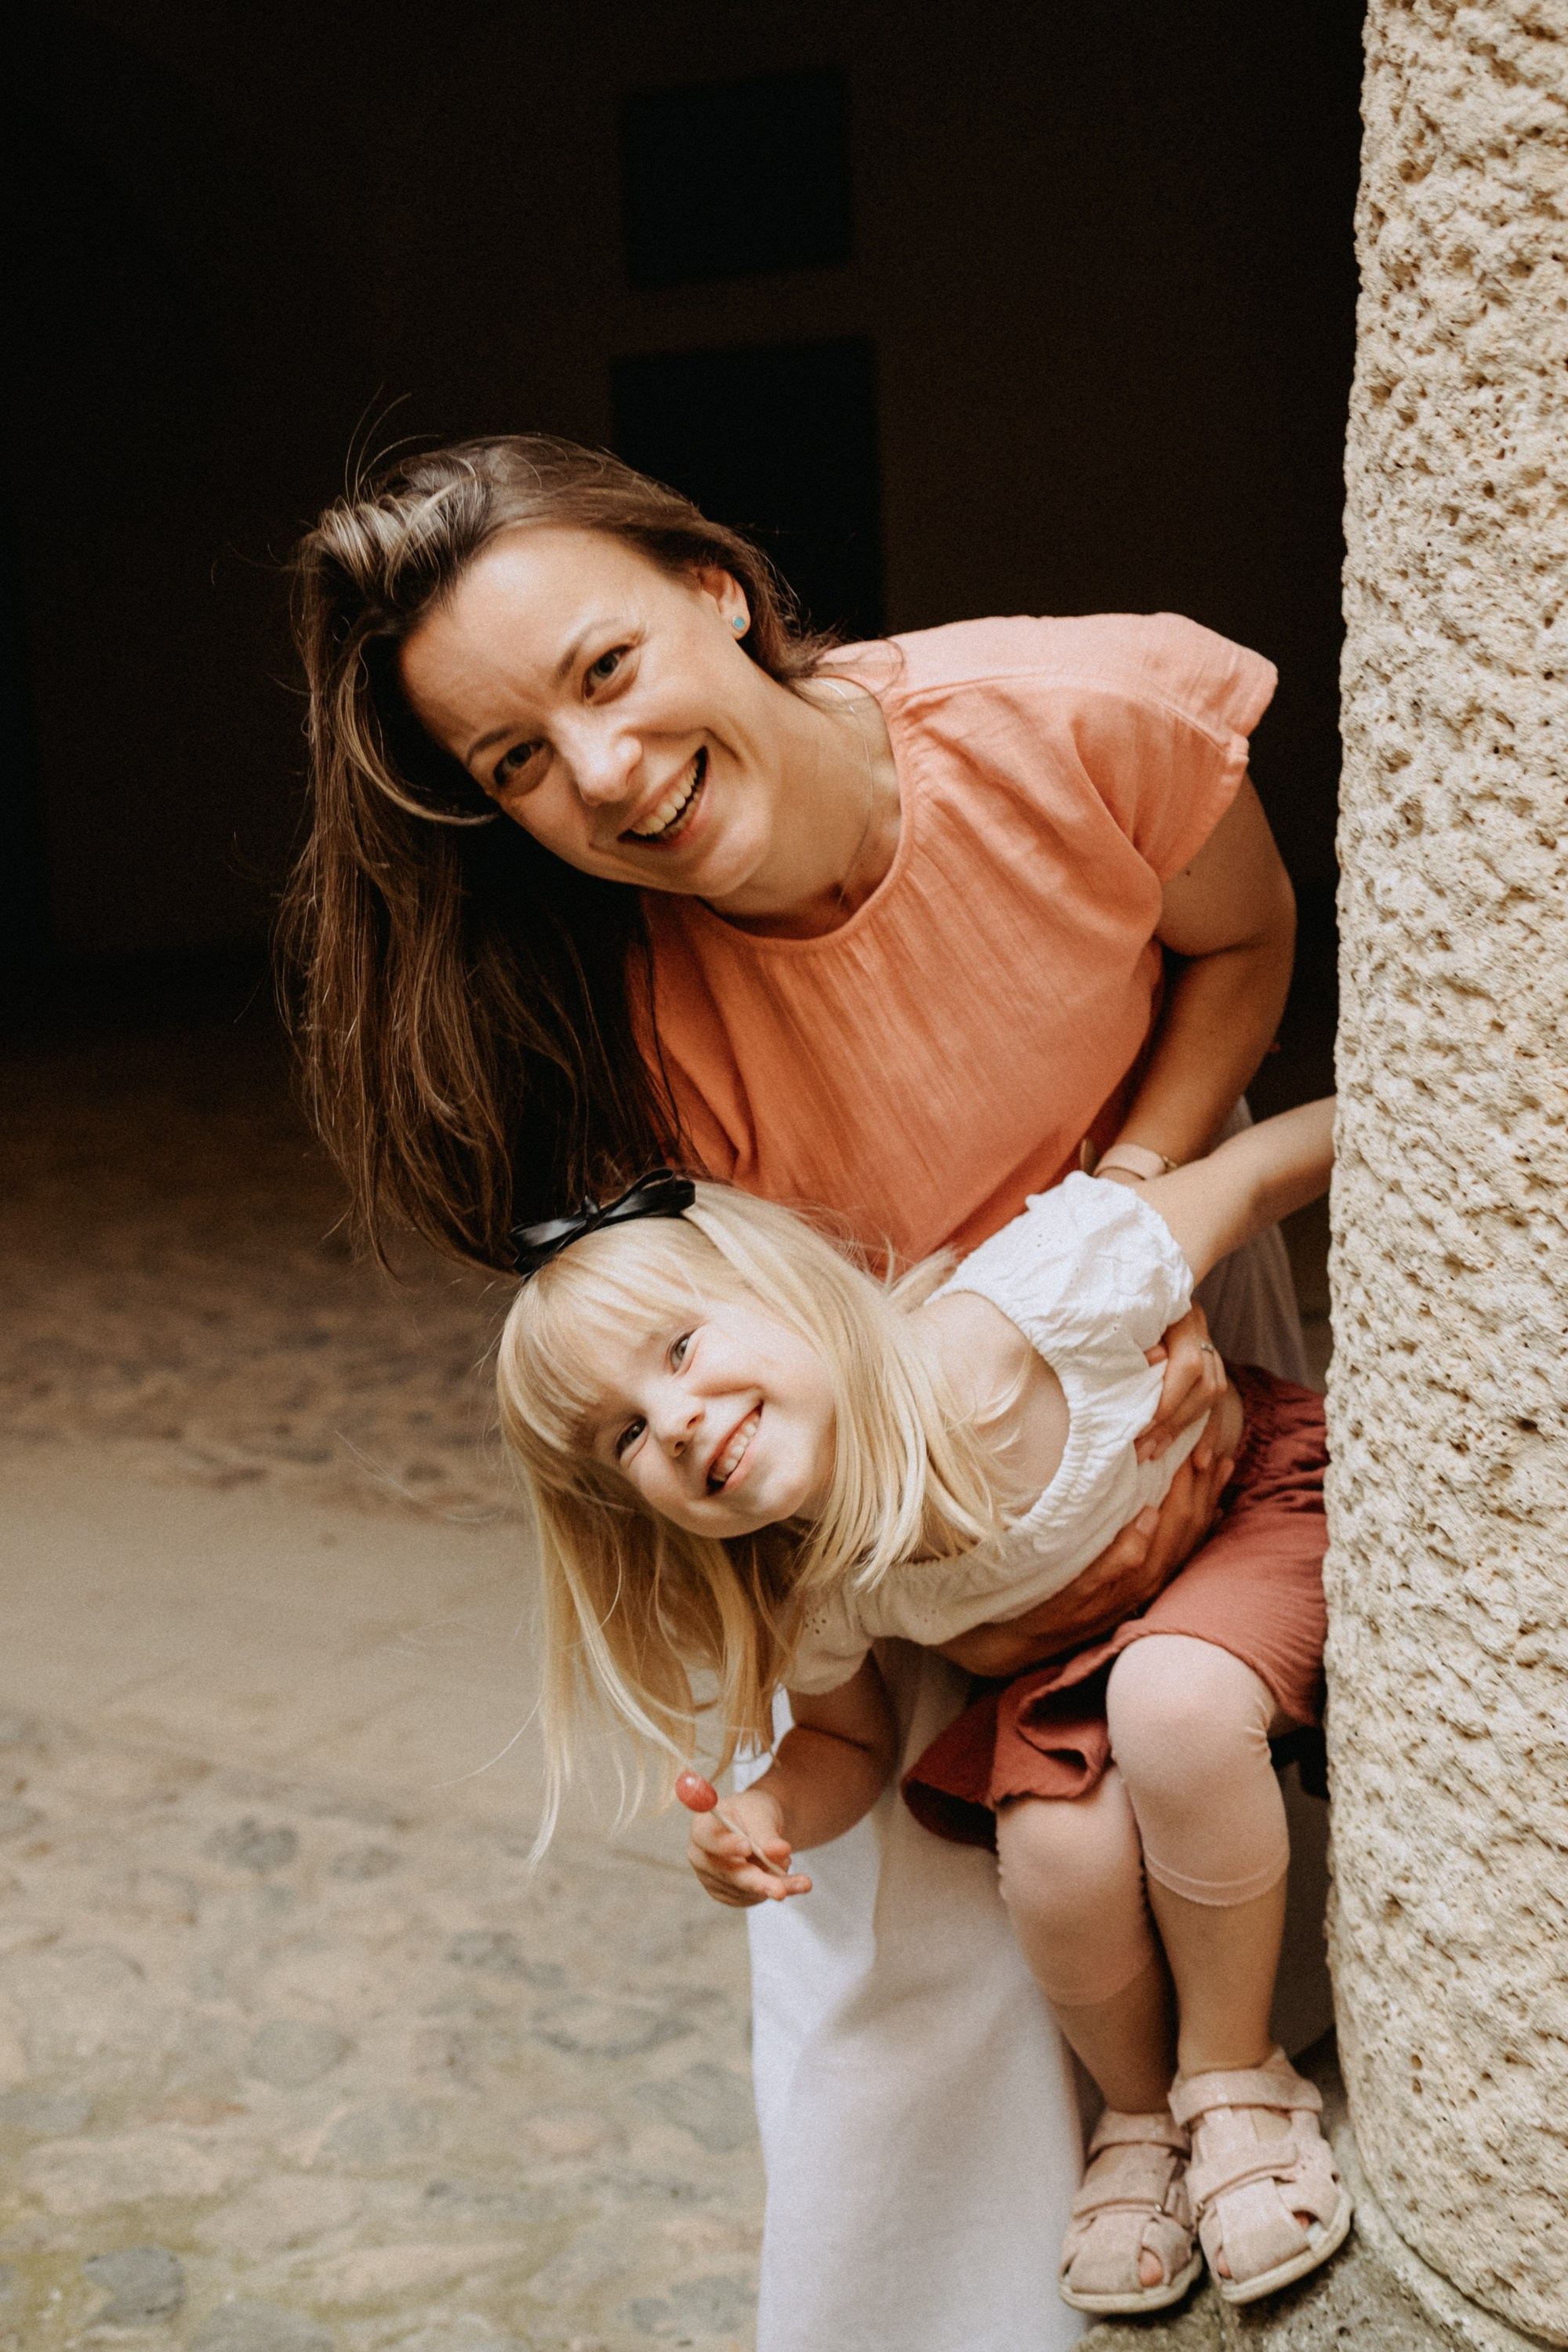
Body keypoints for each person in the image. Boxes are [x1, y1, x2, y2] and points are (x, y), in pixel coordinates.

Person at [285, 434, 1315, 2350]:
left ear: (715, 590)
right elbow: (697, 1370)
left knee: (1230, 1764)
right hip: (844, 1424)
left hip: (1143, 1286)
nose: (599, 776)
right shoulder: (612, 1026)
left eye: (603, 672)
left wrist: (1127, 1207)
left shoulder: (1087, 713)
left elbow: (1239, 945)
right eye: (517, 761)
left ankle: (1247, 2120)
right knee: (894, 1951)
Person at [492, 1098, 1348, 2314]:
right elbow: (849, 1738)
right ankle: (1145, 2119)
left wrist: (1450, 1097)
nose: (675, 1419)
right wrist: (770, 1811)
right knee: (1052, 1849)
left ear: (793, 1292)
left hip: (1248, 1509)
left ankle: (1233, 2079)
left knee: (1171, 1698)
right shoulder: (816, 1572)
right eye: (624, 1433)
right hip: (1090, 1652)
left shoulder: (1029, 1308)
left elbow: (1252, 1175)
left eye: (680, 1349)